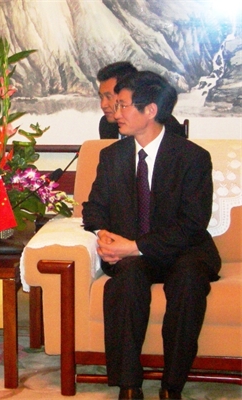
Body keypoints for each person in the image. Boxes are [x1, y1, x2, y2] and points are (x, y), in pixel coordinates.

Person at [82, 71, 221, 400]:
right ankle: (129, 385)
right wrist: (104, 235)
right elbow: (94, 208)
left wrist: (134, 246)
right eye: (115, 105)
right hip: (133, 255)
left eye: (123, 105)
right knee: (126, 281)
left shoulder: (192, 158)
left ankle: (172, 386)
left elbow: (192, 224)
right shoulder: (112, 156)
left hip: (184, 250)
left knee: (188, 280)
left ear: (150, 110)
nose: (115, 113)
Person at [97, 62, 187, 139]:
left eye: (108, 97)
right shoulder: (107, 125)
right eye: (101, 97)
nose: (103, 105)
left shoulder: (165, 127)